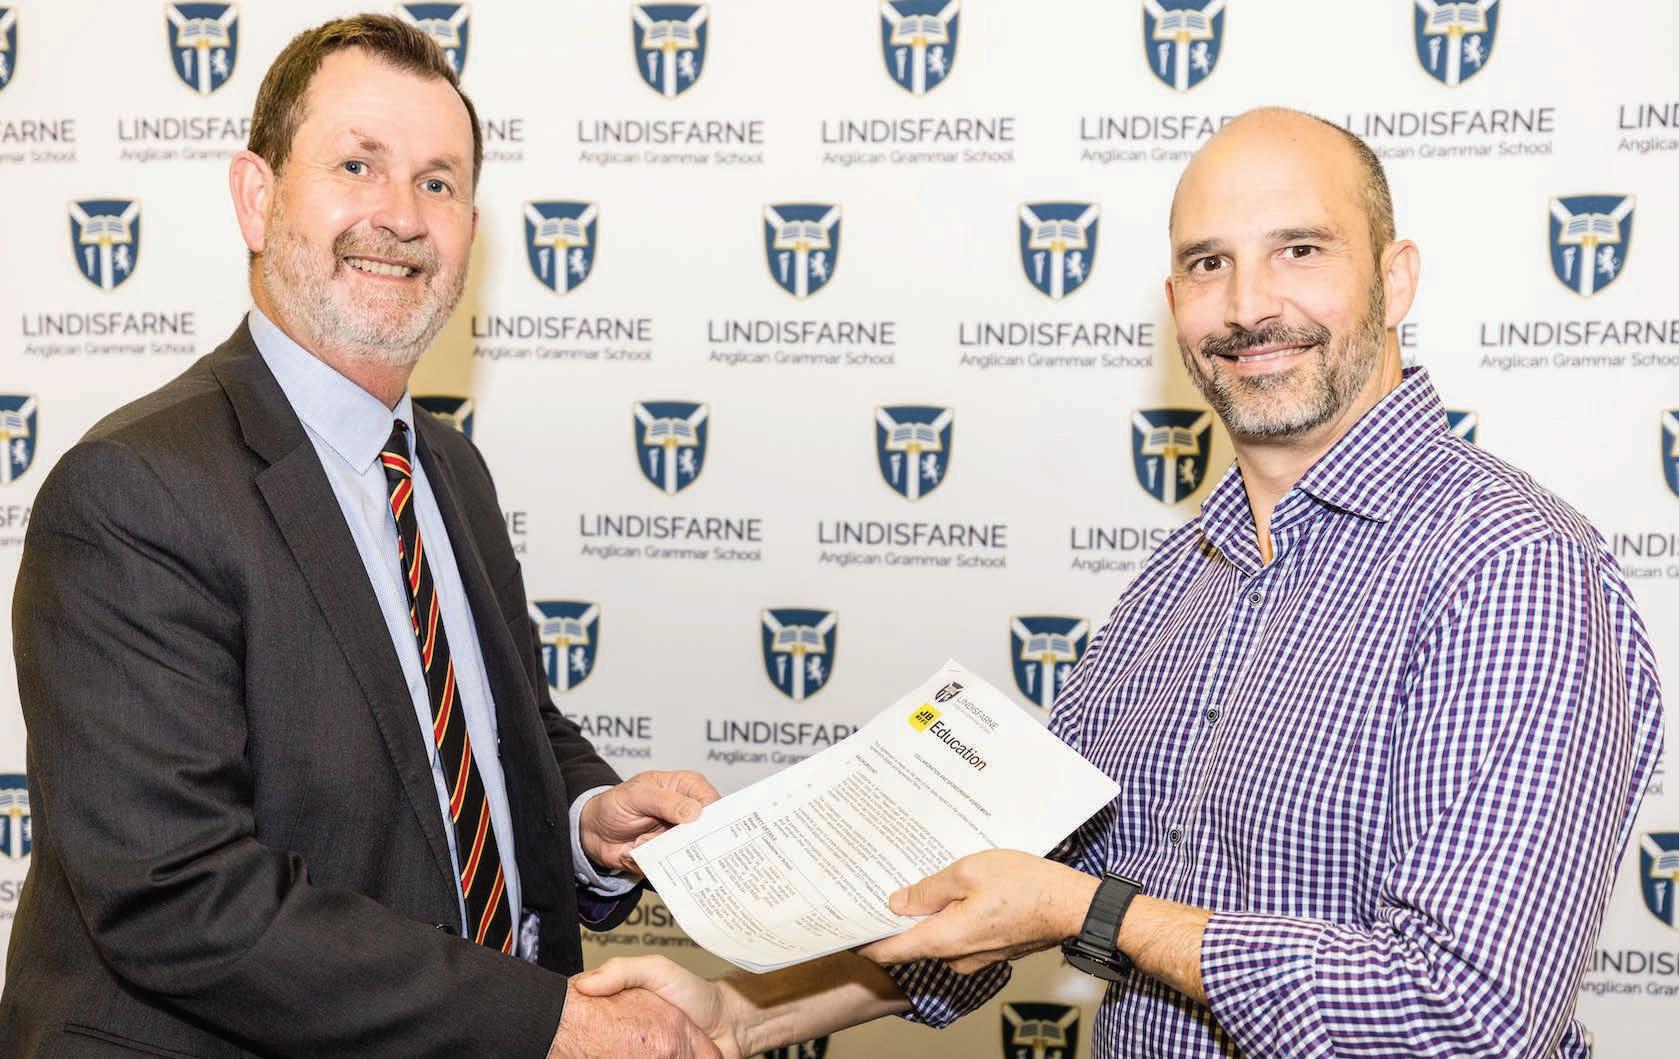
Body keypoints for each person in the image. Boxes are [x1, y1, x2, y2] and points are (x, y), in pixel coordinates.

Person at [574, 107, 1666, 1059]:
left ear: (1393, 278)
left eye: (1297, 250)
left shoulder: (1508, 567)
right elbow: (999, 895)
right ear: (1173, 300)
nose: (1247, 305)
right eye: (1207, 264)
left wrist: (1096, 915)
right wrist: (734, 1014)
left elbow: (1465, 1018)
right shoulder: (1173, 584)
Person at [1, 16, 721, 1059]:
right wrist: (549, 1022)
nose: (401, 216)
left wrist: (588, 820)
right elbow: (178, 895)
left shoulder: (449, 469)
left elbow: (493, 732)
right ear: (257, 198)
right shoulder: (135, 490)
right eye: (356, 166)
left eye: (437, 182)